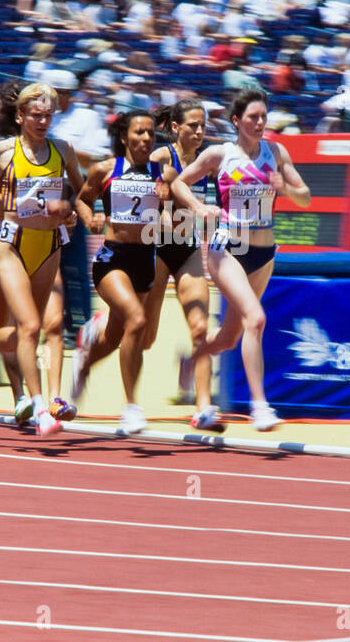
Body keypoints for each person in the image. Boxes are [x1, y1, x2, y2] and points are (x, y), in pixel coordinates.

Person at [170, 88, 311, 432]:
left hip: (263, 254)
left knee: (231, 337)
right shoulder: (220, 155)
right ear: (237, 121)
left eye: (263, 117)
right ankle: (260, 406)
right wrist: (200, 208)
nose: (260, 123)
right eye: (253, 117)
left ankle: (190, 362)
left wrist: (286, 189)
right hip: (227, 249)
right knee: (256, 318)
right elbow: (178, 184)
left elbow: (305, 197)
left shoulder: (276, 152)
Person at [0, 83, 86, 436]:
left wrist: (71, 210)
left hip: (49, 245)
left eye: (48, 116)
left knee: (29, 331)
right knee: (29, 326)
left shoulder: (63, 150)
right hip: (10, 244)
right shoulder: (3, 151)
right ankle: (41, 406)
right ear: (20, 116)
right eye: (36, 116)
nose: (43, 122)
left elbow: (83, 190)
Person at [70, 110, 168, 434]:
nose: (145, 139)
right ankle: (131, 407)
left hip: (145, 259)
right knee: (137, 320)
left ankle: (83, 365)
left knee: (114, 338)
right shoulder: (105, 170)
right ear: (125, 137)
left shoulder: (161, 174)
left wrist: (168, 209)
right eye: (139, 133)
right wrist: (90, 219)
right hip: (112, 259)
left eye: (150, 134)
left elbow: (168, 215)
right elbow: (82, 201)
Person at [142, 99, 218, 428]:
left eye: (203, 125)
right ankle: (99, 329)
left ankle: (203, 408)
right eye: (192, 126)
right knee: (145, 337)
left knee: (200, 328)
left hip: (186, 249)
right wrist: (155, 189)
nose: (200, 131)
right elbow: (135, 182)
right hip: (155, 248)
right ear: (176, 128)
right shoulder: (161, 157)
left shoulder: (209, 161)